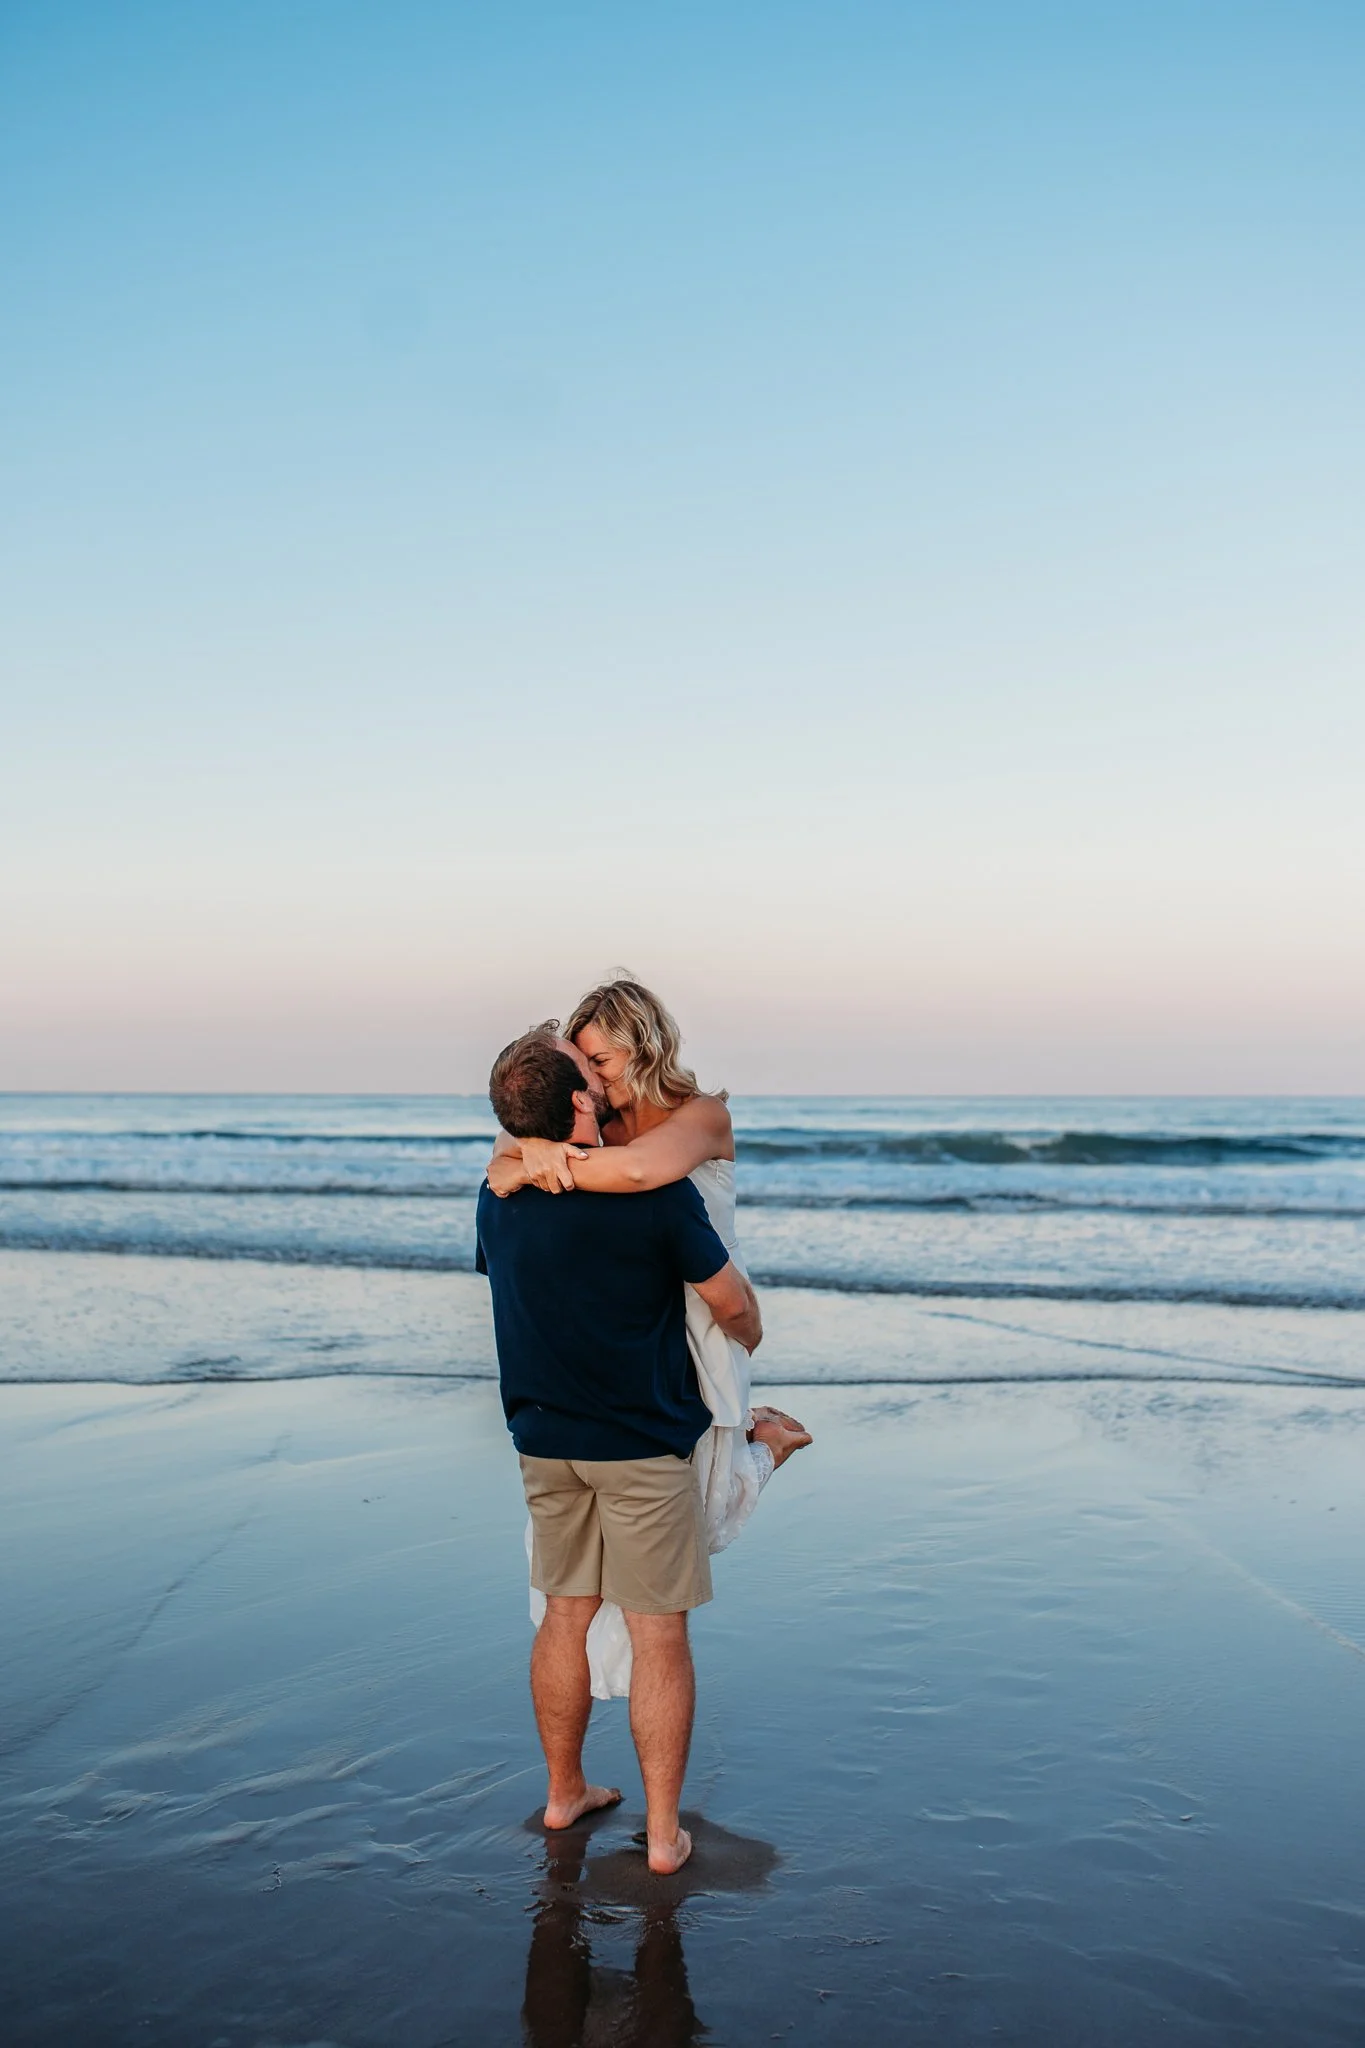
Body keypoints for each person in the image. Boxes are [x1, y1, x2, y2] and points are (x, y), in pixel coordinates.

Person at [476, 1025, 798, 1875]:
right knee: (659, 1638)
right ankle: (661, 1839)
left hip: (543, 1441)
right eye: (590, 1072)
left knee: (564, 1615)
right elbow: (728, 1301)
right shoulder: (654, 1197)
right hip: (636, 1447)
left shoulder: (498, 1194)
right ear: (581, 1100)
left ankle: (563, 1791)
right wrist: (749, 1339)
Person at [488, 981, 811, 1694]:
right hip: (632, 1324)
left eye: (600, 1063)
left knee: (697, 1511)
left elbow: (638, 1174)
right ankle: (762, 1449)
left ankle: (766, 1449)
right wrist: (511, 1154)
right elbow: (502, 1152)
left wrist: (531, 1160)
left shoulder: (699, 1118)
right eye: (582, 1067)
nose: (592, 1083)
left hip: (704, 1315)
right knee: (670, 1517)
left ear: (646, 1046)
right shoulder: (593, 1126)